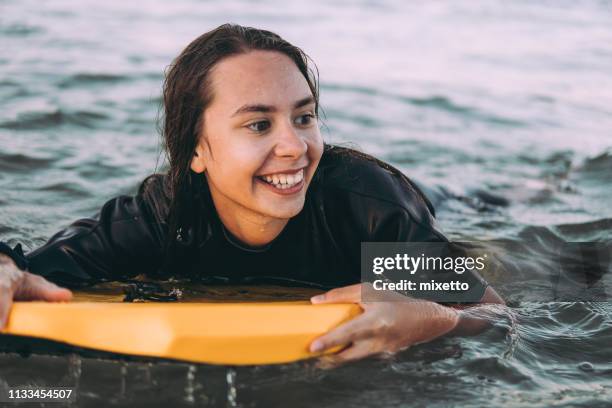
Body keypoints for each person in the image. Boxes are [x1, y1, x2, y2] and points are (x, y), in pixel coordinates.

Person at [0, 24, 504, 363]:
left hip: (443, 201)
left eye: (304, 117)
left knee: (493, 205)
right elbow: (30, 271)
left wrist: (430, 320)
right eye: (259, 124)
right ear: (196, 150)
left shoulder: (369, 214)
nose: (296, 146)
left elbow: (494, 312)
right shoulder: (163, 219)